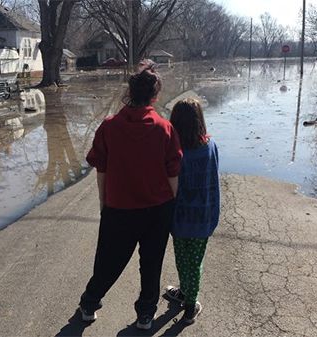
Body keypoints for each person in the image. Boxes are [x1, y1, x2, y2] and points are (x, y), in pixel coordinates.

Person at [79, 60, 183, 330]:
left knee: (108, 263)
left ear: (130, 92)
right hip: (157, 211)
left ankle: (89, 305)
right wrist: (174, 208)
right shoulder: (164, 128)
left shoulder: (109, 126)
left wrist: (105, 204)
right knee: (151, 265)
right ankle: (146, 315)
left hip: (118, 210)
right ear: (155, 95)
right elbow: (173, 174)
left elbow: (100, 169)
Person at [163, 98, 220, 325]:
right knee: (194, 261)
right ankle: (188, 296)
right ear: (200, 121)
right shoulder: (210, 146)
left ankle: (189, 303)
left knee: (183, 258)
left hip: (179, 218)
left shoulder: (172, 151)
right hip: (203, 217)